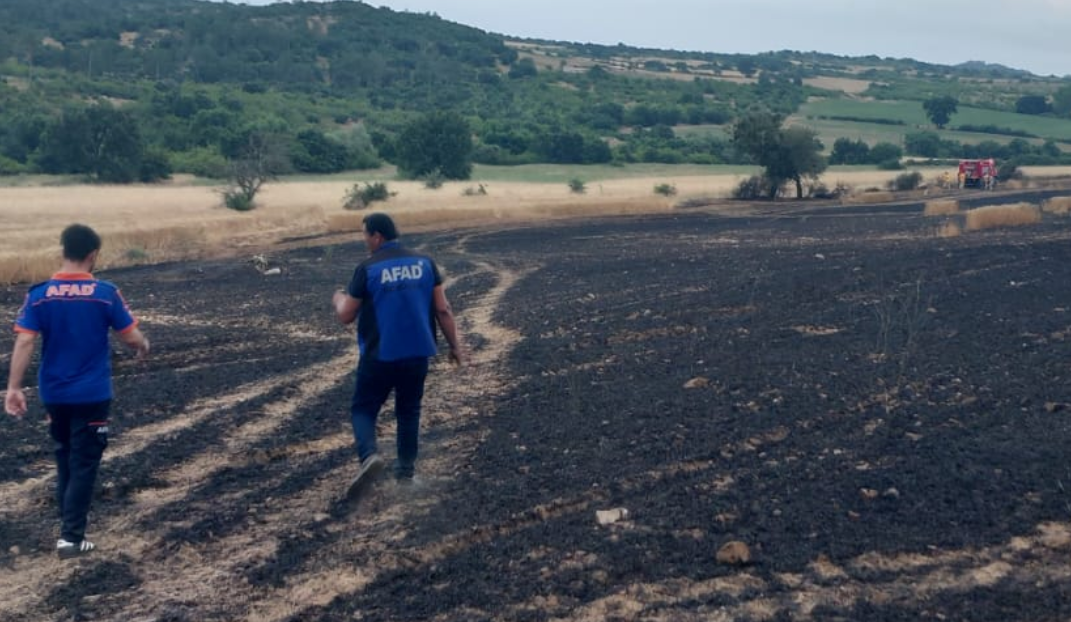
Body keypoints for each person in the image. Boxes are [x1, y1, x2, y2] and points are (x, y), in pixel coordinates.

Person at [5, 224, 150, 559]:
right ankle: (71, 539)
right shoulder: (105, 292)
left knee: (65, 457)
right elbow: (130, 337)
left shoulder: (39, 294)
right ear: (93, 255)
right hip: (92, 394)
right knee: (84, 463)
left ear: (63, 251)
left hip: (54, 393)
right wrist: (143, 345)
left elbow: (25, 340)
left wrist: (13, 387)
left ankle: (68, 527)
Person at [332, 213, 464, 501]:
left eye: (365, 235)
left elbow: (345, 315)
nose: (364, 241)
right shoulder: (425, 263)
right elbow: (443, 309)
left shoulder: (368, 268)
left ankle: (369, 457)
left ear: (377, 236)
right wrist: (455, 346)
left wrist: (338, 297)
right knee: (408, 412)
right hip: (418, 354)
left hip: (380, 355)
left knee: (363, 409)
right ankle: (406, 475)